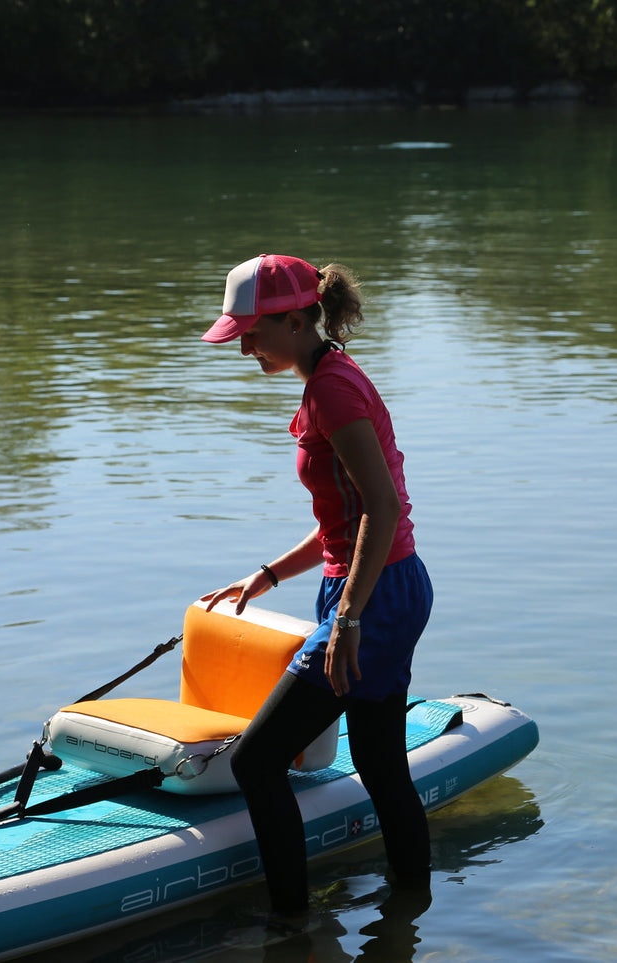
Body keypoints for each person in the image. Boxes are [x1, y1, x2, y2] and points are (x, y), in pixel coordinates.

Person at [199, 253, 435, 920]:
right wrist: (270, 573)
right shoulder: (325, 379)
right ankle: (409, 912)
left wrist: (351, 618)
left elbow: (381, 507)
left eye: (253, 333)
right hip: (369, 585)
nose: (244, 347)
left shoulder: (333, 389)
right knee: (380, 764)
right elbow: (345, 519)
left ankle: (290, 927)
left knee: (258, 761)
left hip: (375, 595)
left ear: (298, 321)